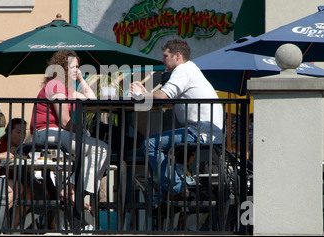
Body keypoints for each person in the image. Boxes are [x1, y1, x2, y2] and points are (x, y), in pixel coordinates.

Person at [130, 39, 223, 197]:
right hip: (206, 132)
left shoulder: (182, 70)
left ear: (177, 56)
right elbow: (170, 102)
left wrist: (142, 95)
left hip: (199, 132)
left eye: (165, 56)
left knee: (150, 144)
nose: (162, 60)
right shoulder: (190, 69)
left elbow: (163, 96)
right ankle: (170, 187)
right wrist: (147, 94)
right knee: (148, 147)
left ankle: (176, 189)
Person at [30, 49, 109, 206]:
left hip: (54, 133)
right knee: (100, 149)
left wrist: (81, 80)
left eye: (78, 67)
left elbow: (92, 100)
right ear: (63, 68)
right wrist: (82, 132)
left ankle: (73, 190)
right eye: (73, 67)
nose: (77, 70)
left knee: (100, 149)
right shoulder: (56, 84)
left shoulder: (68, 89)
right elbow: (65, 121)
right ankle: (71, 189)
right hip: (46, 133)